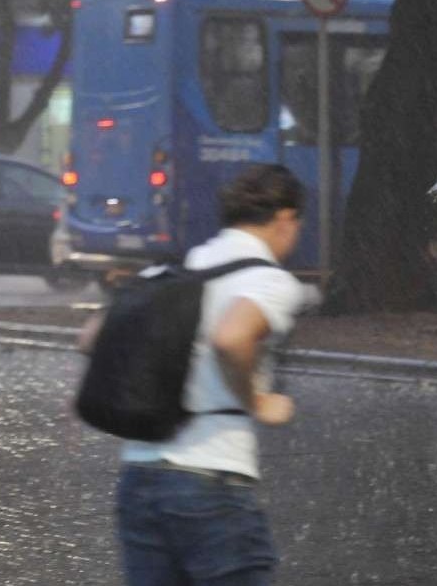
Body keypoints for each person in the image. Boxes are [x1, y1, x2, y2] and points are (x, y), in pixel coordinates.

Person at [84, 163, 308, 585]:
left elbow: (91, 337)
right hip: (211, 482)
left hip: (139, 477)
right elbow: (231, 338)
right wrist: (257, 401)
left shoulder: (169, 273)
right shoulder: (267, 280)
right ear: (284, 219)